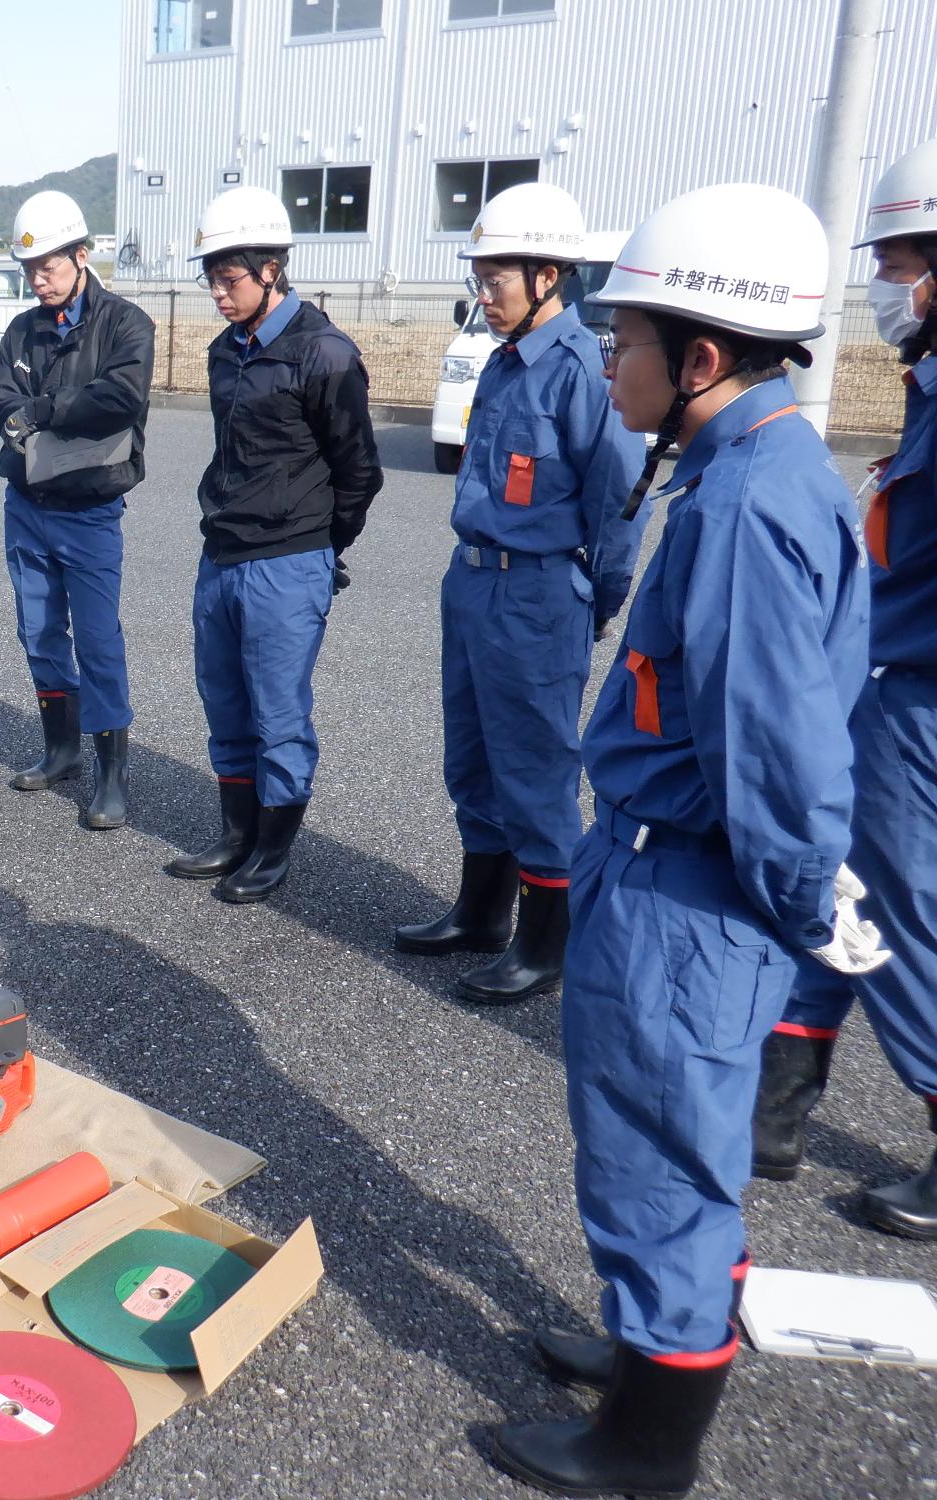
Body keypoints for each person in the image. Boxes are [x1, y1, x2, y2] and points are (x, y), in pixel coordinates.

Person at [494, 185, 887, 1498]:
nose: (611, 362)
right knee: (664, 1141)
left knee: (659, 1153)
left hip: (689, 892)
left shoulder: (740, 509)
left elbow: (775, 757)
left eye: (628, 339)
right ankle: (643, 1352)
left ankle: (647, 1444)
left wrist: (792, 896)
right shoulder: (762, 464)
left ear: (701, 358)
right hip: (684, 871)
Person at [394, 184, 647, 1003]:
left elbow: (615, 507)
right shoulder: (504, 365)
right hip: (472, 582)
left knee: (534, 770)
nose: (484, 295)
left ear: (547, 276)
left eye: (496, 279)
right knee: (471, 759)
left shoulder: (580, 372)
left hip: (538, 594)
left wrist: (594, 603)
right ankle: (480, 913)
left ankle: (547, 946)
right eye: (480, 278)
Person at [752, 137, 937, 1241]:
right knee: (836, 884)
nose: (885, 284)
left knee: (899, 915)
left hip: (922, 696)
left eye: (902, 258)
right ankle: (775, 1106)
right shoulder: (928, 380)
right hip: (891, 678)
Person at [164, 186, 380, 901]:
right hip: (220, 553)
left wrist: (319, 546)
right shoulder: (226, 353)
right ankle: (236, 835)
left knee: (277, 710)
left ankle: (274, 849)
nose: (218, 296)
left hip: (287, 560)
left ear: (272, 272)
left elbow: (359, 471)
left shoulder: (324, 353)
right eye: (212, 281)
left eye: (229, 281)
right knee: (223, 700)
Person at [0, 191, 154, 830]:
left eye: (49, 265)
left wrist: (43, 410)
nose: (38, 279)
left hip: (90, 511)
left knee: (99, 639)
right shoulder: (23, 328)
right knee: (38, 627)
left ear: (82, 256)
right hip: (26, 501)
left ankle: (112, 771)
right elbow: (0, 390)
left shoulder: (125, 324)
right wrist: (13, 413)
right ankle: (61, 750)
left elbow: (120, 397)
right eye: (29, 269)